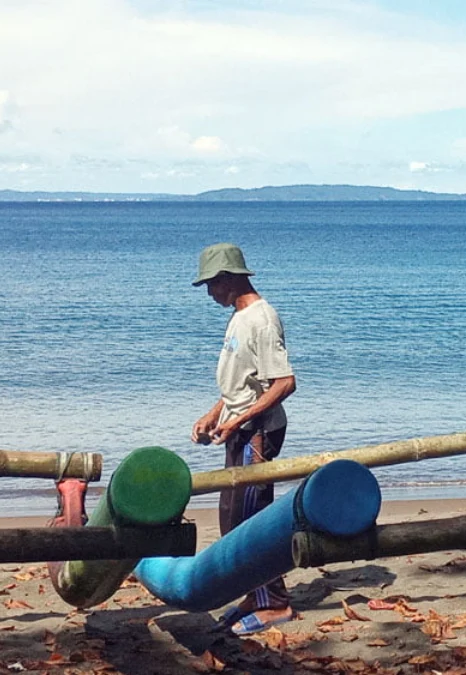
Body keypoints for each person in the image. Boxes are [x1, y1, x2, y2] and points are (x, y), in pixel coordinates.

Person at [190, 242, 297, 635]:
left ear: (229, 279)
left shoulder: (261, 320)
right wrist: (215, 414)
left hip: (258, 434)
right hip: (240, 429)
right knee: (232, 520)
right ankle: (256, 593)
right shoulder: (239, 318)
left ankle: (277, 603)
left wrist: (240, 423)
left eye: (211, 284)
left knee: (250, 519)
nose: (209, 293)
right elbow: (242, 383)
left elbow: (284, 383)